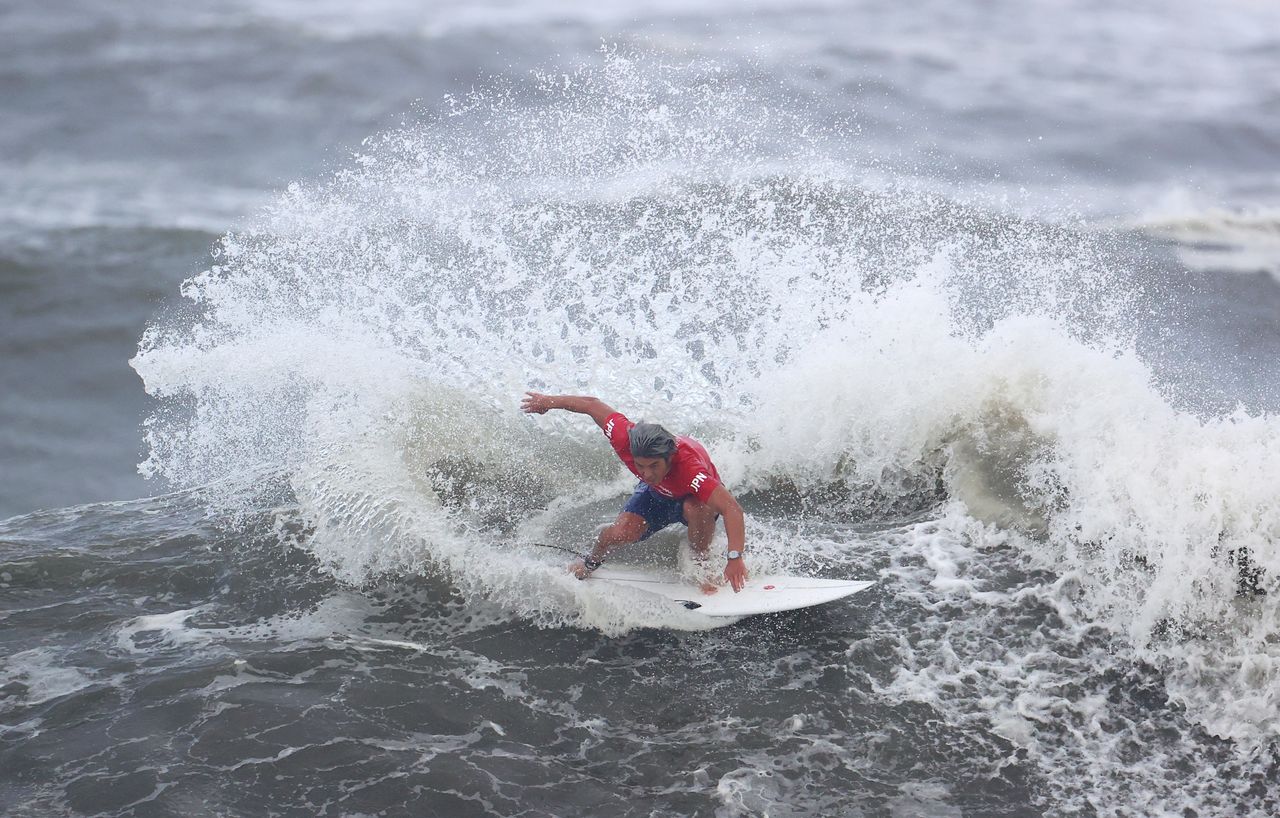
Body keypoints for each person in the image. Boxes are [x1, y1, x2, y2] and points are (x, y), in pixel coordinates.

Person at [521, 392, 749, 593]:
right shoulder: (624, 437)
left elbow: (732, 509)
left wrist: (735, 558)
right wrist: (548, 401)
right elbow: (591, 405)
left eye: (654, 466)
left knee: (697, 507)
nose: (646, 473)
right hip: (656, 493)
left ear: (669, 458)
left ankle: (701, 562)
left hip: (691, 497)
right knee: (619, 533)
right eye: (640, 466)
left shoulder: (691, 470)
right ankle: (590, 562)